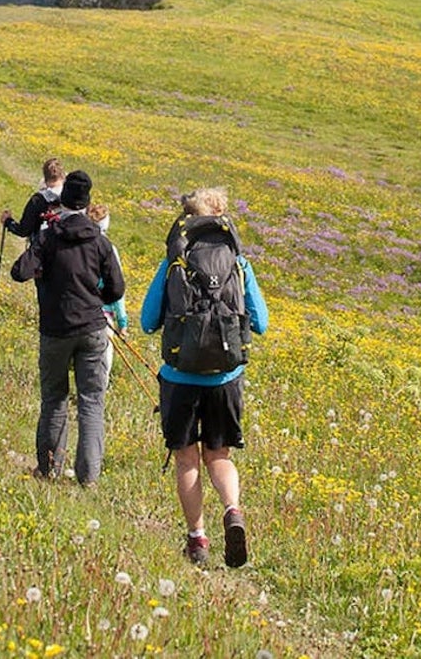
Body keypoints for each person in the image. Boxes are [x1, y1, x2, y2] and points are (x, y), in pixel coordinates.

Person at [141, 187, 268, 568]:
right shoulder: (239, 263)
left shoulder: (174, 261)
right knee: (220, 455)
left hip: (180, 377)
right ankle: (232, 510)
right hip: (226, 377)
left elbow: (148, 322)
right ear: (222, 217)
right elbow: (260, 322)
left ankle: (197, 539)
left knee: (186, 459)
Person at [11, 170, 125, 485]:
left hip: (55, 328)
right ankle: (88, 477)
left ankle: (49, 469)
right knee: (91, 401)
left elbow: (19, 271)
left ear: (62, 201)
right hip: (92, 327)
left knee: (54, 399)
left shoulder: (48, 237)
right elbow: (117, 290)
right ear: (87, 202)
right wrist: (93, 298)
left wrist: (45, 274)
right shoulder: (100, 242)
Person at [88, 202, 128, 383]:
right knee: (103, 364)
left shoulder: (75, 244)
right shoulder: (109, 249)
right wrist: (122, 321)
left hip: (77, 311)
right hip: (104, 316)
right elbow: (117, 288)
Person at [0, 157, 65, 243]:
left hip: (42, 249)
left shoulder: (38, 200)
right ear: (63, 175)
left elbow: (23, 230)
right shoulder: (75, 196)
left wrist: (8, 221)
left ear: (45, 178)